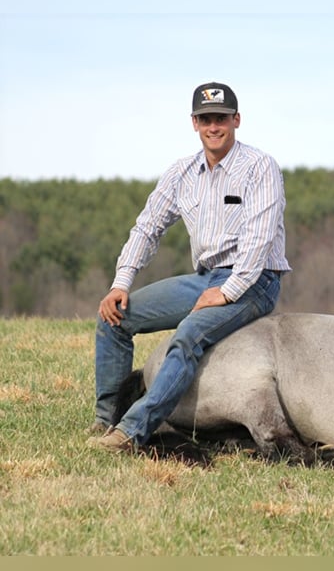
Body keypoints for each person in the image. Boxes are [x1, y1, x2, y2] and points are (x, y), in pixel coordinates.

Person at [87, 81, 290, 452]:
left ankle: (132, 431)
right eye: (206, 118)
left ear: (237, 120)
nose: (214, 126)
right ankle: (107, 419)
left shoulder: (260, 168)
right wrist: (121, 283)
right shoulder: (181, 174)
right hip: (205, 278)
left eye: (222, 118)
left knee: (188, 335)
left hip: (254, 280)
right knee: (114, 317)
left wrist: (226, 292)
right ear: (194, 123)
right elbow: (147, 228)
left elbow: (258, 243)